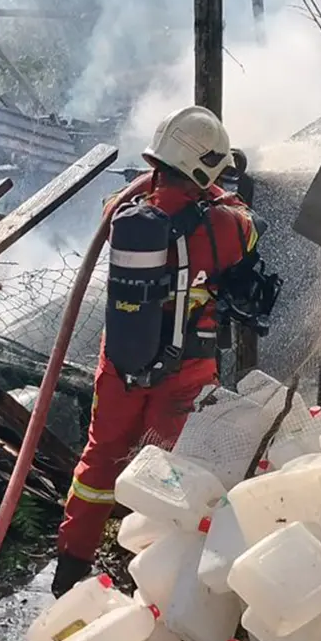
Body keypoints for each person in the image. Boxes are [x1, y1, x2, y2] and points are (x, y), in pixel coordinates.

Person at [51, 106, 268, 595]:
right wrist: (218, 193)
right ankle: (156, 572)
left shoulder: (125, 213)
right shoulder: (223, 225)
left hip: (120, 364)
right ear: (206, 167)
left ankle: (70, 566)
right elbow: (250, 232)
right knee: (175, 469)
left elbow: (113, 206)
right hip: (185, 371)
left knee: (99, 460)